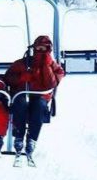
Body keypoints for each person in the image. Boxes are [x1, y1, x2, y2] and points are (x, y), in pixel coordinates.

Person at [4, 36, 64, 167]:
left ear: (49, 50)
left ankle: (32, 139)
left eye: (44, 49)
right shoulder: (23, 63)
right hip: (22, 95)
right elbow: (8, 78)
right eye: (39, 48)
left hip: (40, 98)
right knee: (20, 103)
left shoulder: (54, 67)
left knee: (39, 105)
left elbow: (51, 83)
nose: (41, 51)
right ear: (34, 48)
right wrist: (21, 78)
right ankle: (19, 137)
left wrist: (46, 65)